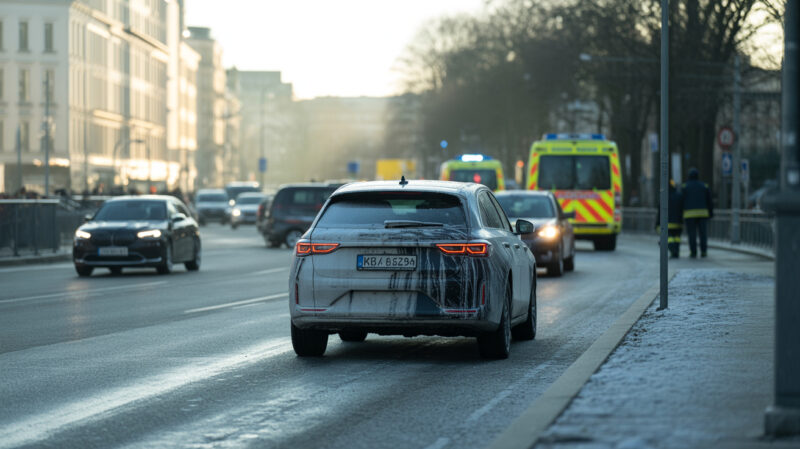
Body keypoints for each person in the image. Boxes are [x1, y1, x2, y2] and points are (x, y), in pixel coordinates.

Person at [681, 168, 713, 258]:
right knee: (703, 234)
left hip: (689, 215)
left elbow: (681, 201)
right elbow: (709, 201)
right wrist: (710, 213)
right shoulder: (704, 186)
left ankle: (693, 252)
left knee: (692, 234)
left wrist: (680, 214)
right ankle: (703, 251)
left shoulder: (685, 187)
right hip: (703, 214)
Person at [656, 179, 683, 258]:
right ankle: (676, 251)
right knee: (677, 238)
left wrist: (657, 223)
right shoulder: (679, 195)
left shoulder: (664, 197)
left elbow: (660, 211)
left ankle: (673, 250)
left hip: (668, 222)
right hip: (678, 222)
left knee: (669, 238)